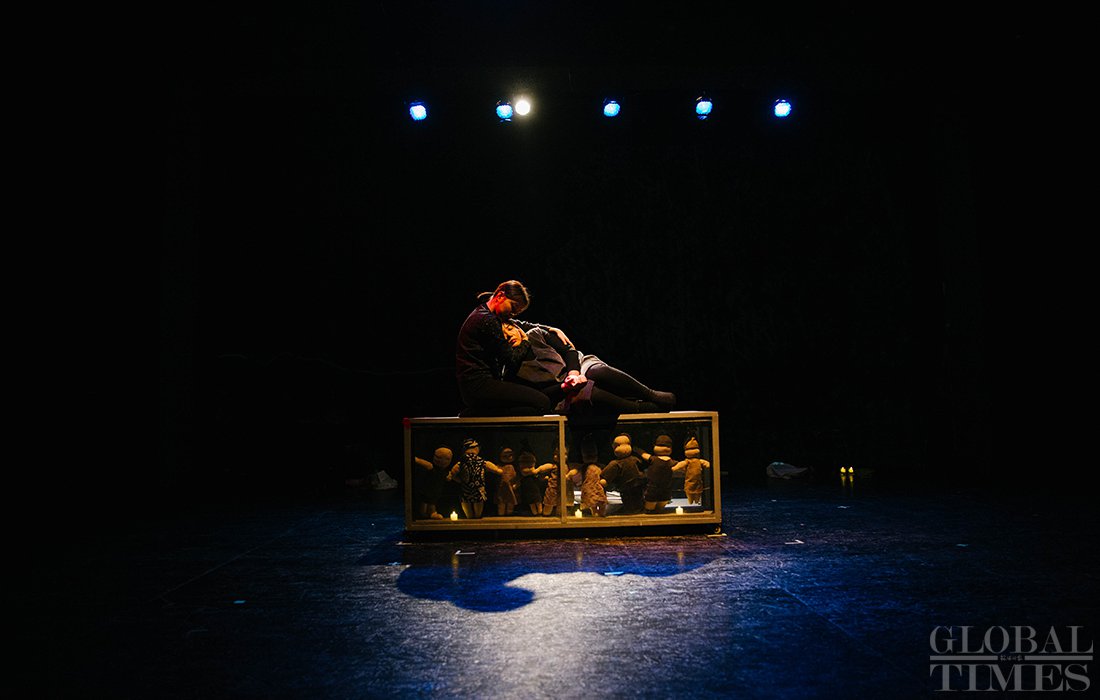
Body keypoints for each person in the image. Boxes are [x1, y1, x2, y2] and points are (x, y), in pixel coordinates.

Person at [501, 321, 676, 416]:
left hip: (578, 365)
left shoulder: (536, 334)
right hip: (561, 391)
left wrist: (574, 373)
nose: (509, 335)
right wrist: (565, 386)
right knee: (586, 393)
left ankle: (650, 394)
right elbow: (539, 394)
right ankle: (640, 408)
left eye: (509, 329)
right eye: (503, 336)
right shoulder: (511, 368)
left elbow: (569, 351)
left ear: (517, 327)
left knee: (596, 372)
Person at [455, 280, 569, 416]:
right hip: (479, 386)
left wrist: (550, 329)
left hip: (476, 385)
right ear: (500, 296)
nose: (513, 314)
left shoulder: (485, 313)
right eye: (513, 307)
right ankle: (478, 413)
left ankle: (482, 411)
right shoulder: (487, 320)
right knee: (541, 403)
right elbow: (511, 359)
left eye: (517, 312)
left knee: (539, 401)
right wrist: (525, 341)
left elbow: (520, 324)